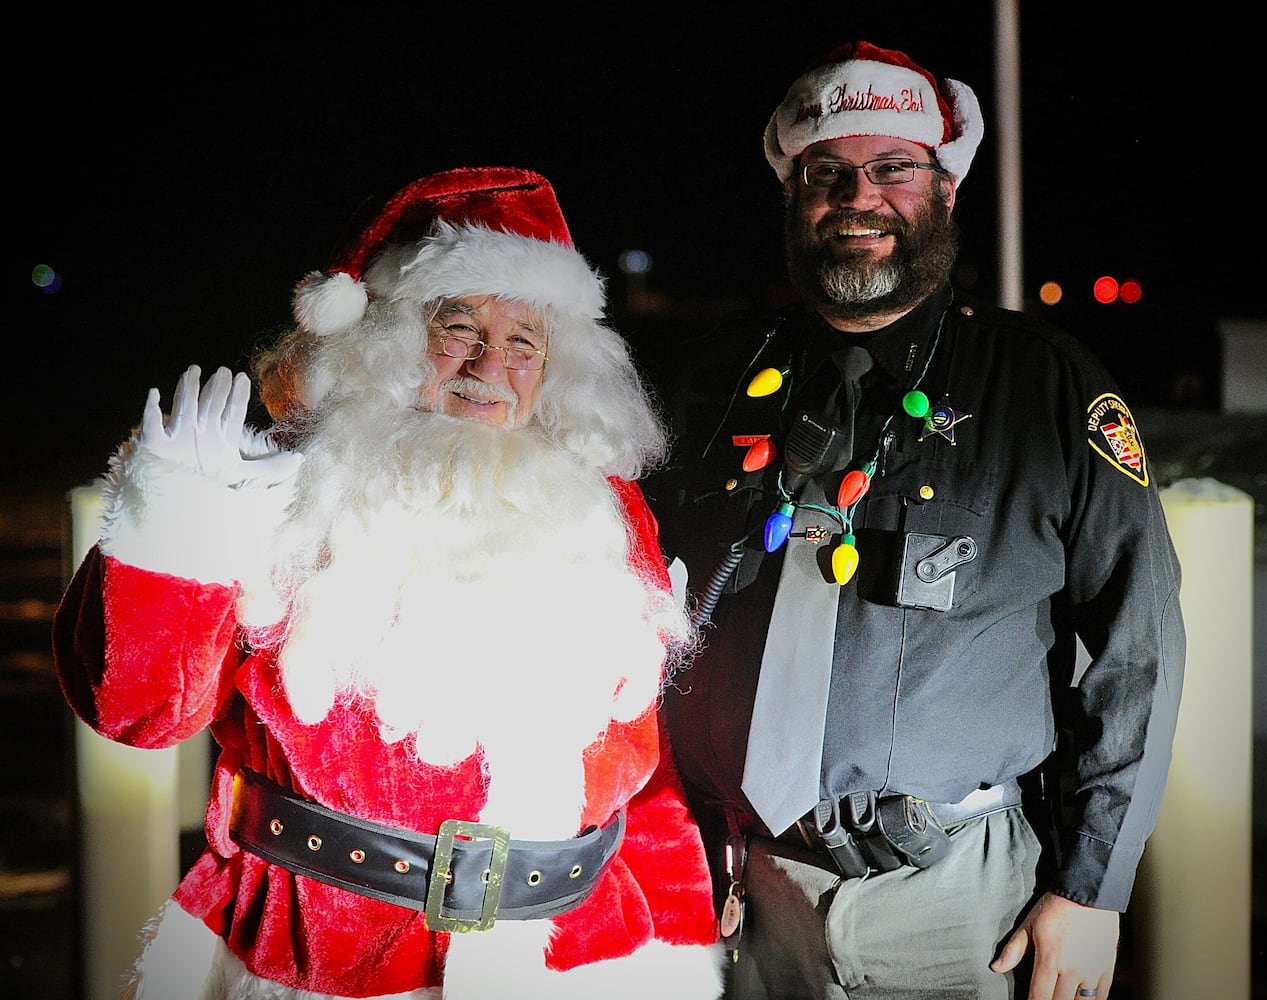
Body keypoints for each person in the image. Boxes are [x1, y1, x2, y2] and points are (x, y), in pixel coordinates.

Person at [52, 166, 724, 999]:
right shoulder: (280, 488)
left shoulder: (604, 509)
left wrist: (678, 936)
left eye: (524, 341)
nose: (489, 362)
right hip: (320, 958)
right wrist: (175, 528)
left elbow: (643, 769)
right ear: (392, 340)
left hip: (582, 963)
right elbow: (137, 711)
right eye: (458, 326)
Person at [646, 41, 1186, 1000]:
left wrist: (1092, 890)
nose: (859, 197)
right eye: (827, 173)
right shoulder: (715, 379)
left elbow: (1136, 646)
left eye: (893, 168)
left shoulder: (1046, 385)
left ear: (943, 190)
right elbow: (651, 618)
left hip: (963, 904)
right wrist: (679, 824)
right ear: (793, 195)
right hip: (743, 894)